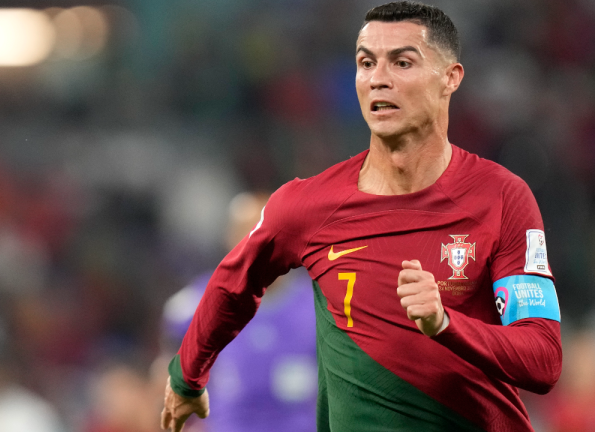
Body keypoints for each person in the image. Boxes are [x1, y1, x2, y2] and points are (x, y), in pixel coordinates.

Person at [160, 2, 563, 432]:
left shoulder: (500, 196)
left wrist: (445, 324)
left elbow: (542, 358)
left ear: (450, 78)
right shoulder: (307, 205)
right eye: (366, 63)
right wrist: (186, 377)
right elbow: (233, 282)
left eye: (402, 62)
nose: (378, 79)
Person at [159, 192, 317, 432]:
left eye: (266, 233)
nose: (256, 244)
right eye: (246, 232)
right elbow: (166, 366)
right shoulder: (198, 303)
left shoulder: (319, 307)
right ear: (230, 238)